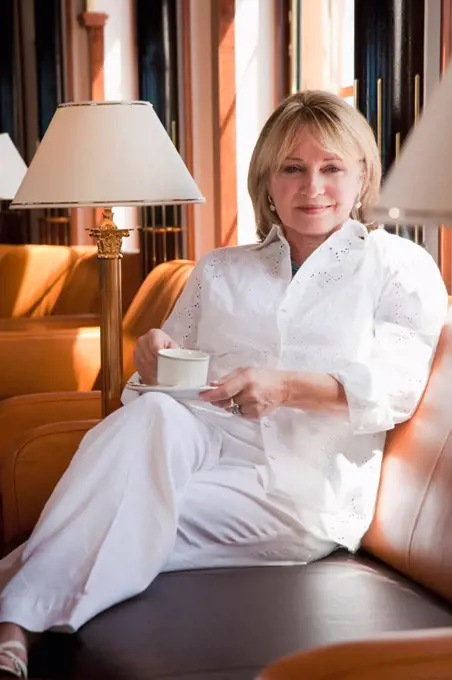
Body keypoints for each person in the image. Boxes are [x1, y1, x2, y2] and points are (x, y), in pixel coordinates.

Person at [0, 90, 447, 678]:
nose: (313, 187)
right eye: (293, 168)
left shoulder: (397, 265)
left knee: (119, 507)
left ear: (361, 177)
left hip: (301, 491)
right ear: (266, 181)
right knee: (153, 420)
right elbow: (149, 394)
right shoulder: (220, 269)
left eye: (331, 167)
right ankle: (17, 622)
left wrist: (285, 386)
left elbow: (394, 386)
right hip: (199, 443)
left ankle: (13, 620)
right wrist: (153, 362)